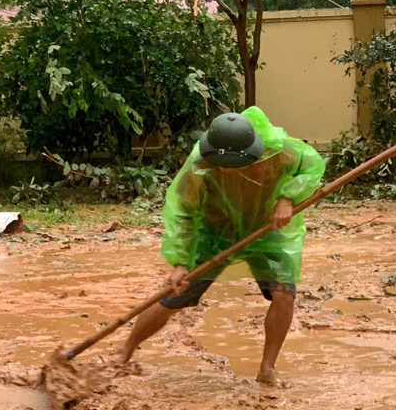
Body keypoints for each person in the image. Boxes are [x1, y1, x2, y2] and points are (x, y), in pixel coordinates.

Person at [116, 106, 325, 385]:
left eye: (233, 164)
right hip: (214, 233)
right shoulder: (198, 166)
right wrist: (180, 263)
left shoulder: (281, 150)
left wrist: (288, 198)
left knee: (284, 296)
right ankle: (124, 352)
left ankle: (267, 369)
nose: (224, 168)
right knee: (173, 296)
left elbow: (311, 166)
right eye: (220, 162)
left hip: (266, 228)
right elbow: (182, 214)